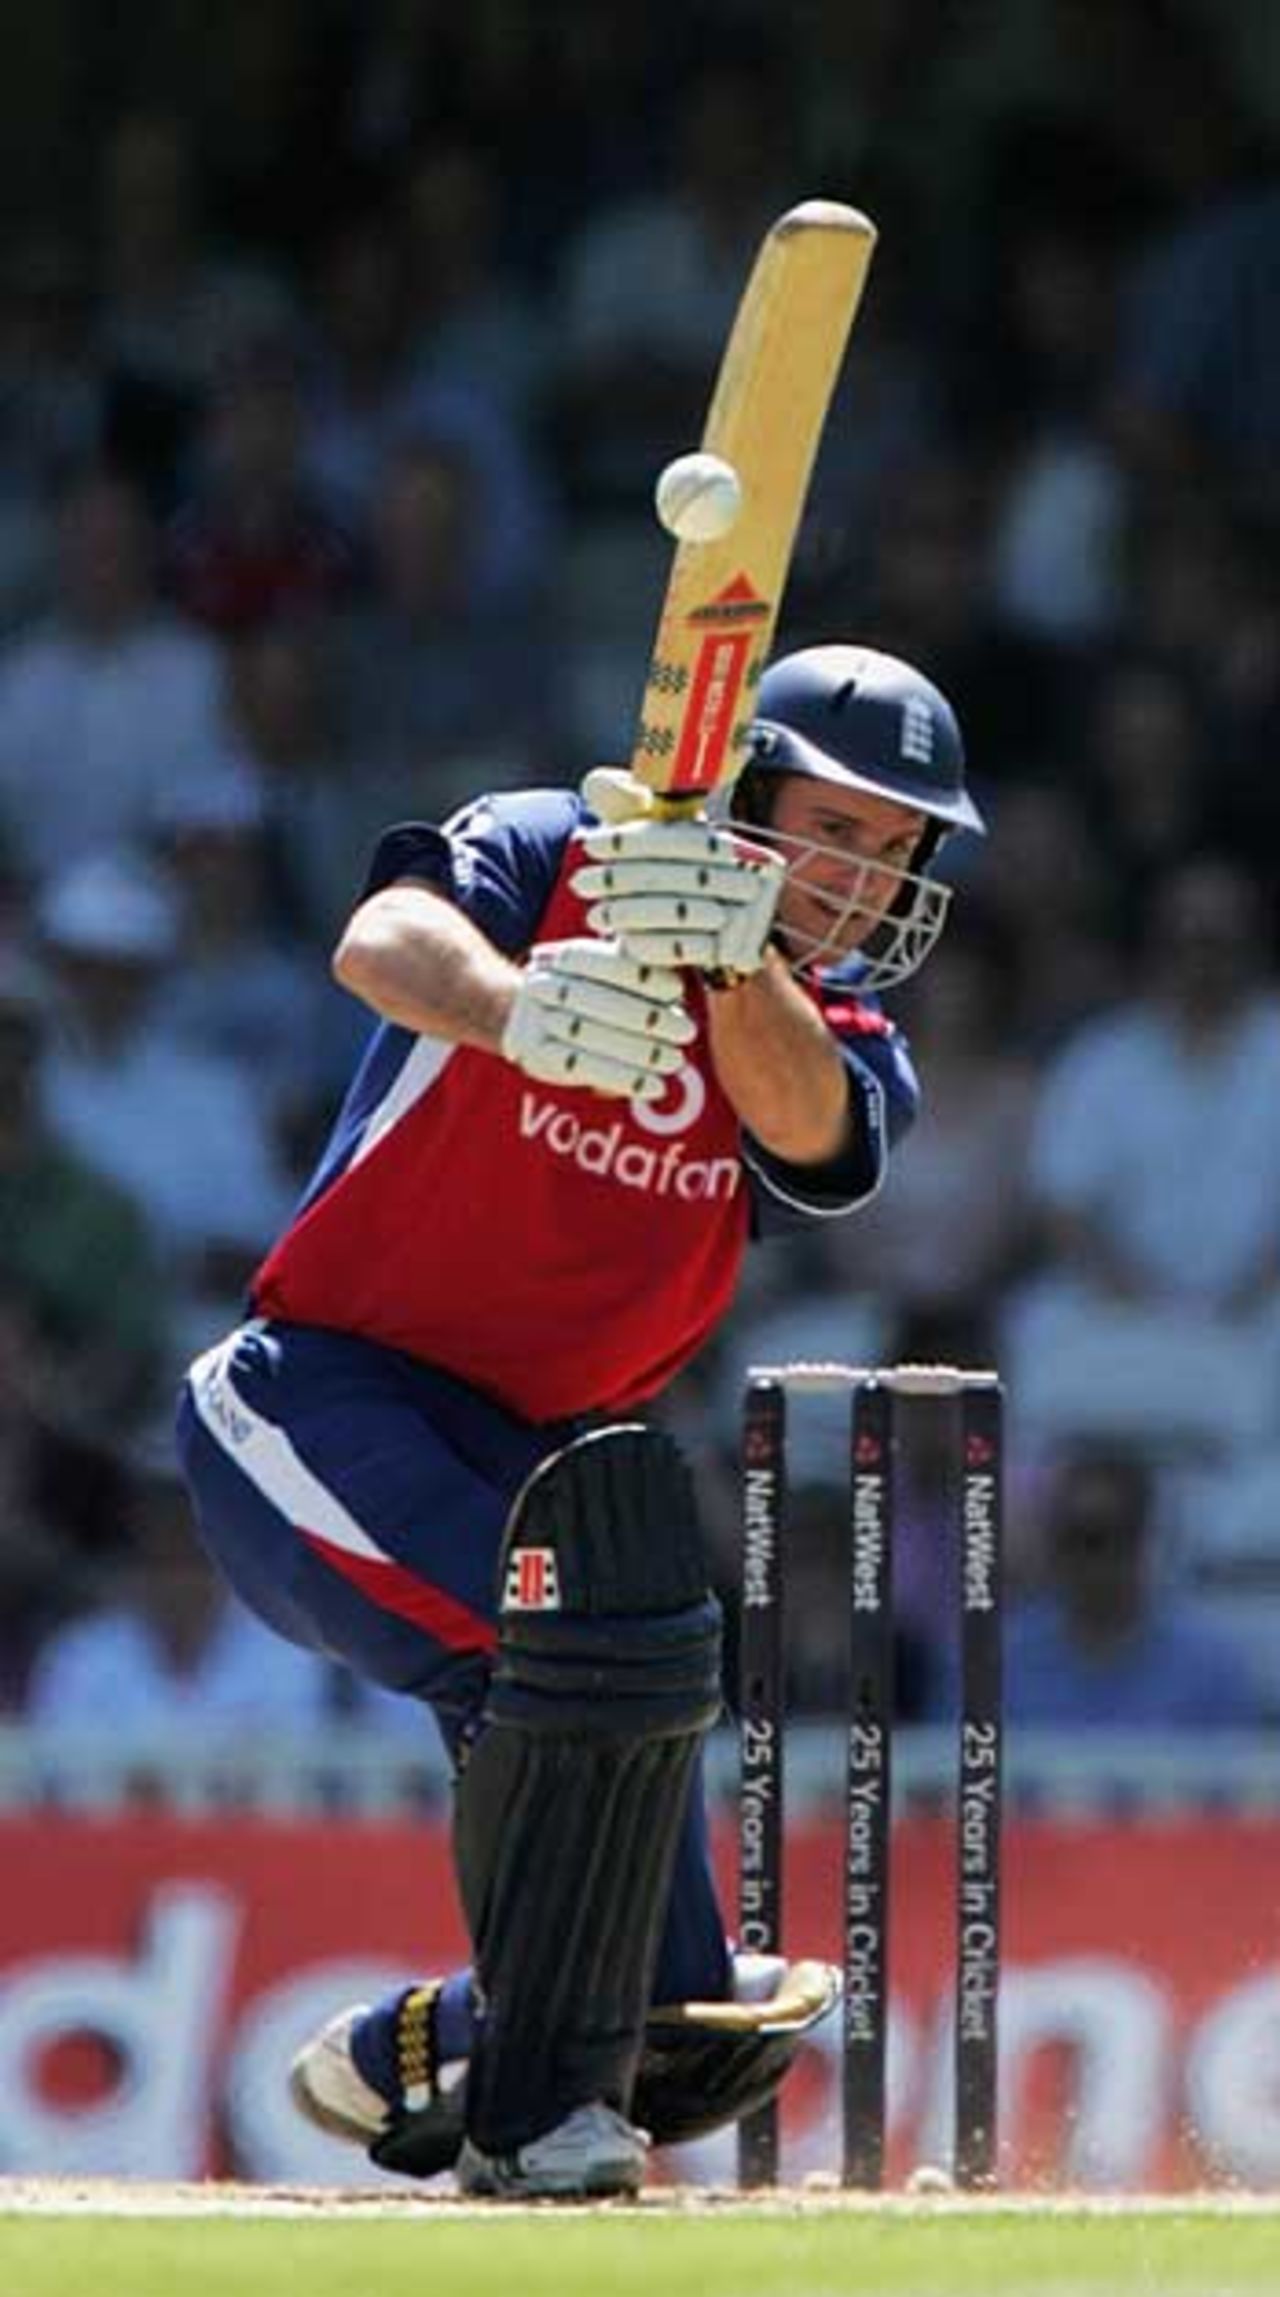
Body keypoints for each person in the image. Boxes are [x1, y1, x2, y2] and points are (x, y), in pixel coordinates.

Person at [175, 642, 984, 2198]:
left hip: (536, 1458)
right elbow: (382, 936)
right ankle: (535, 2109)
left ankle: (461, 2040)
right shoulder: (560, 846)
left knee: (669, 1884)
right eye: (834, 825)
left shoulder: (840, 1038)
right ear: (747, 794)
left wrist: (735, 954)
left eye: (893, 850)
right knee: (566, 1649)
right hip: (313, 1402)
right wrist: (520, 1008)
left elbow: (813, 1133)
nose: (859, 876)